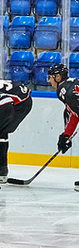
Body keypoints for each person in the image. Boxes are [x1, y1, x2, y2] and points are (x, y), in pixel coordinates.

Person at [47, 64, 79, 192]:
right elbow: (73, 114)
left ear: (58, 77)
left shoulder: (63, 91)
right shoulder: (72, 83)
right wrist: (67, 135)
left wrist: (67, 136)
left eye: (51, 77)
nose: (49, 80)